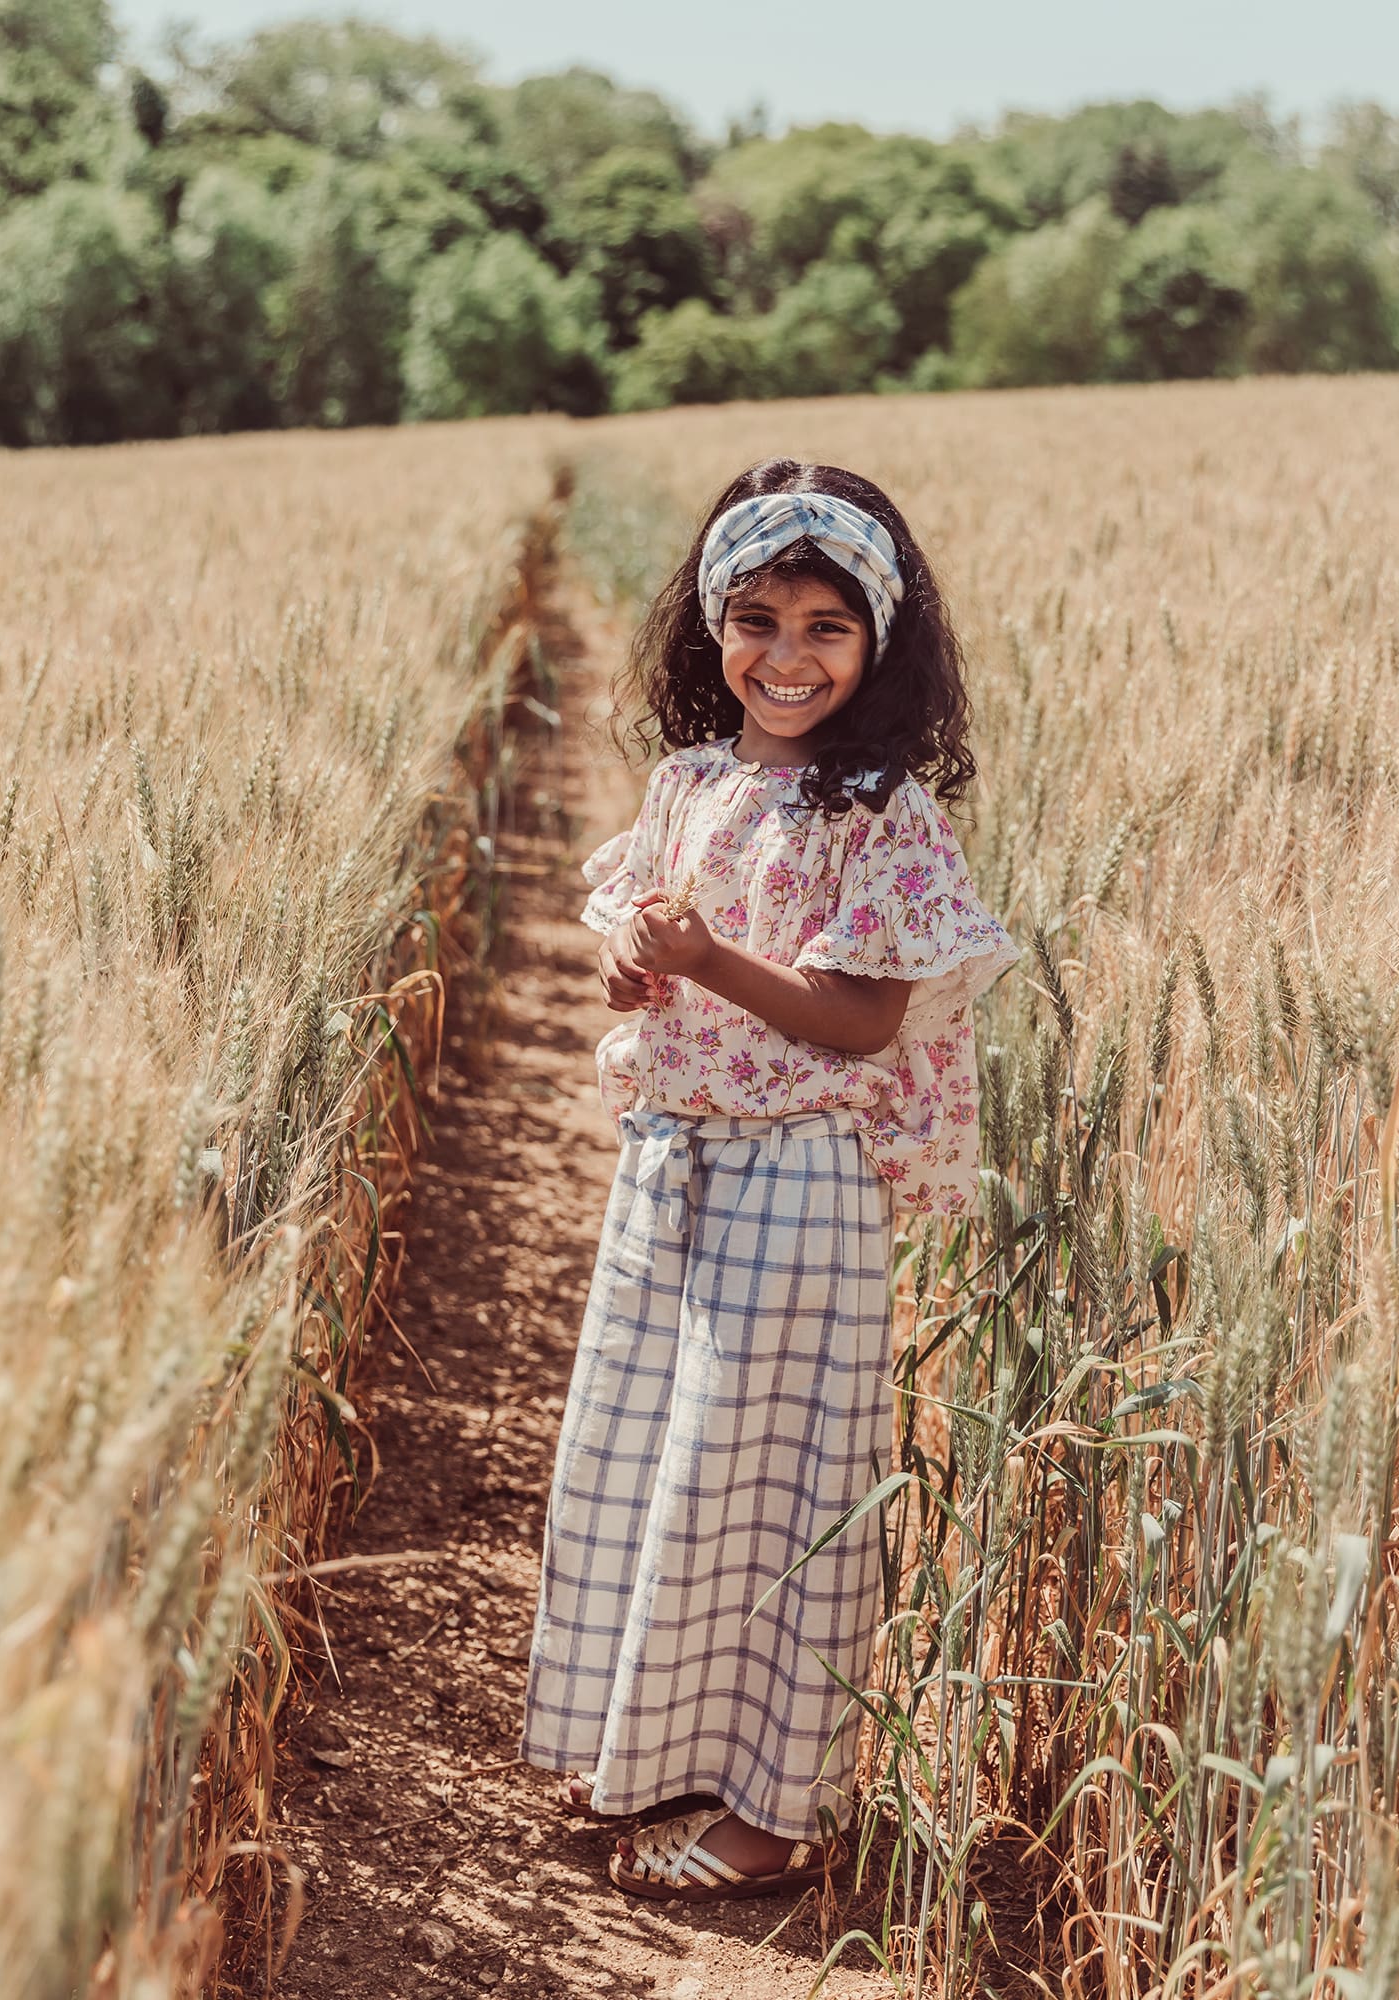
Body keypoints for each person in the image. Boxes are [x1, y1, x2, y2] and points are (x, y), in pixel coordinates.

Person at [517, 457, 1019, 1904]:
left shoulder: (885, 814)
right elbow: (641, 971)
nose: (786, 658)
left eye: (826, 627)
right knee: (656, 1465)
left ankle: (765, 1821)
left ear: (881, 645)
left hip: (797, 1188)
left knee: (772, 1489)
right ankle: (649, 1746)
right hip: (668, 1172)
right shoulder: (687, 784)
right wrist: (634, 965)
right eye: (756, 620)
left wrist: (702, 962)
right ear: (709, 629)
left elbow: (861, 1019)